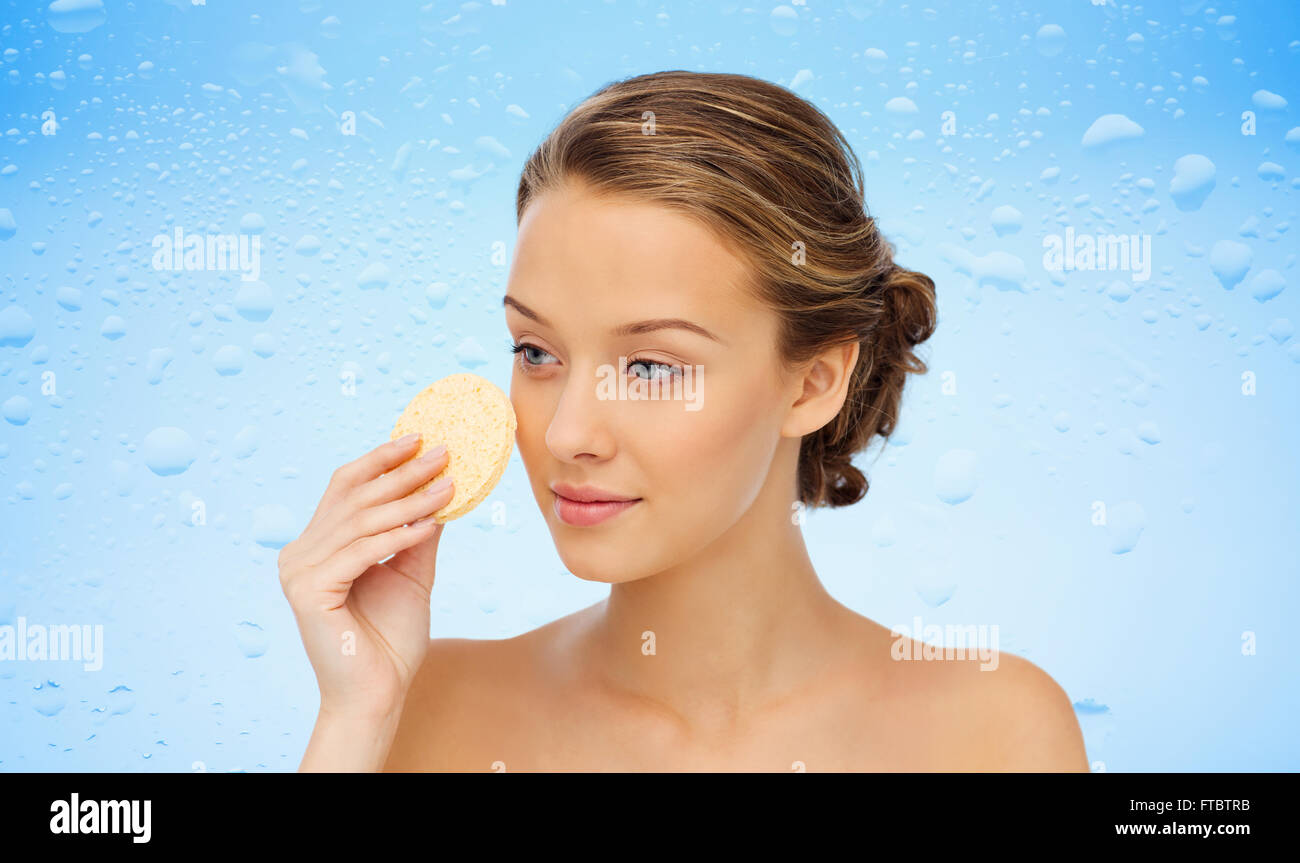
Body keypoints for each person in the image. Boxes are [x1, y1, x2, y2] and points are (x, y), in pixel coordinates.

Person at [279, 70, 1089, 772]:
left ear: (813, 381)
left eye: (651, 366)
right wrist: (356, 716)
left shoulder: (993, 732)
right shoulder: (427, 710)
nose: (567, 434)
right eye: (535, 351)